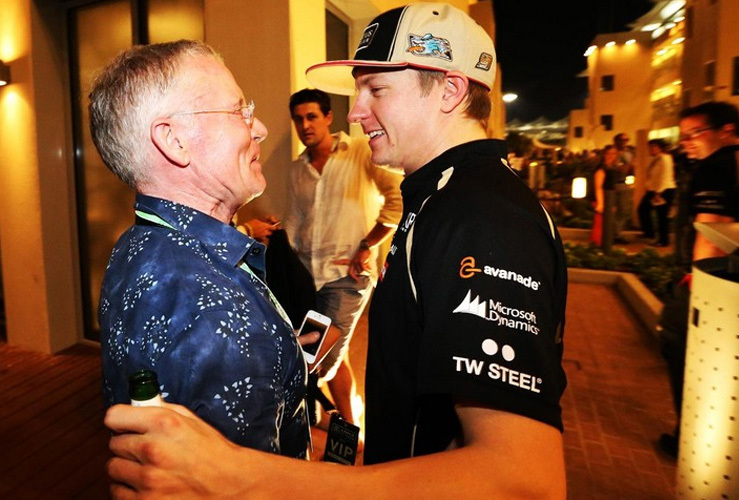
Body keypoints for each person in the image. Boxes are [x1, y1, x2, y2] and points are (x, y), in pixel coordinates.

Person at [103, 4, 568, 497]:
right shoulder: (439, 202)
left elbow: (523, 480)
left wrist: (238, 477)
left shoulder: (482, 218)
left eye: (376, 89)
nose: (356, 111)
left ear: (450, 90)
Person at [91, 40, 310, 457]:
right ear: (173, 141)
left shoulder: (139, 242)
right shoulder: (218, 312)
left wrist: (279, 356)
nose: (259, 127)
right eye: (238, 111)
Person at [284, 88, 403, 425]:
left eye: (311, 117)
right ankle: (349, 434)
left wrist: (368, 244)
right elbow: (295, 223)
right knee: (338, 357)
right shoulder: (298, 169)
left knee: (317, 358)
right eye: (298, 119)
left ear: (328, 118)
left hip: (346, 276)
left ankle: (321, 418)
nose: (305, 125)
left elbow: (397, 201)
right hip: (310, 276)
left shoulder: (361, 152)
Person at [658, 101, 739, 458]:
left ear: (726, 129)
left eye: (695, 133)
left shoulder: (716, 166)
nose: (688, 143)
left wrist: (697, 284)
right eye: (684, 137)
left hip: (716, 284)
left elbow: (711, 233)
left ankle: (692, 436)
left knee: (682, 344)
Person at [638, 139, 676, 247]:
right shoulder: (656, 158)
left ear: (660, 148)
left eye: (654, 147)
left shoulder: (665, 158)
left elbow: (665, 176)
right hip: (654, 190)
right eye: (650, 147)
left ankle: (663, 240)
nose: (651, 149)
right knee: (643, 209)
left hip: (664, 190)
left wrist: (658, 193)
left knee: (661, 216)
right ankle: (649, 233)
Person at [589, 145, 618, 247]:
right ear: (604, 155)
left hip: (608, 199)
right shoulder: (601, 169)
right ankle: (596, 244)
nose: (611, 156)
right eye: (608, 153)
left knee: (605, 224)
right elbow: (598, 187)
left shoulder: (611, 167)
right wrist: (600, 203)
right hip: (601, 199)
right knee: (599, 223)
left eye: (613, 153)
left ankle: (602, 244)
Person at [612, 132, 636, 242]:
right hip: (613, 184)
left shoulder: (629, 153)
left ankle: (617, 233)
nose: (625, 142)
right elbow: (619, 168)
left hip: (625, 183)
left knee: (624, 210)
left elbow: (631, 167)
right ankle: (614, 234)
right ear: (616, 141)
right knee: (612, 210)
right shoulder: (612, 152)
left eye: (626, 140)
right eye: (622, 140)